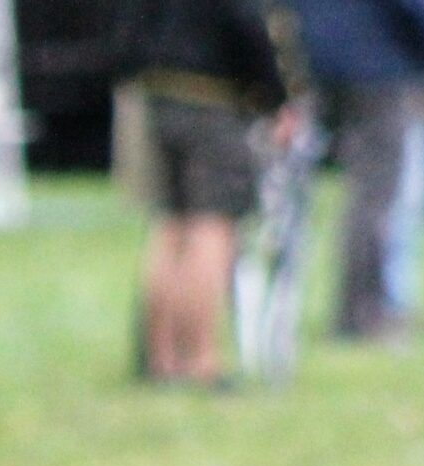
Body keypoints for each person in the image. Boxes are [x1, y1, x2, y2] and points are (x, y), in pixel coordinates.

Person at [115, 0, 294, 384]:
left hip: (158, 92)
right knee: (212, 228)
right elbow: (244, 23)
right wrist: (274, 97)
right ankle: (200, 360)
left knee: (170, 227)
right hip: (211, 98)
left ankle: (160, 358)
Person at [290, 0, 424, 339]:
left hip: (308, 59)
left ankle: (268, 306)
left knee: (287, 190)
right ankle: (363, 311)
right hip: (380, 64)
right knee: (375, 196)